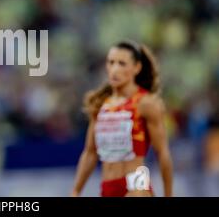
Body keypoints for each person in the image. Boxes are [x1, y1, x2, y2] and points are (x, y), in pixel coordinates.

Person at [71, 41, 173, 197]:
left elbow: (162, 153)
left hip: (136, 182)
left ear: (137, 68)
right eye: (111, 62)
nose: (114, 69)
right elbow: (90, 153)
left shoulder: (146, 103)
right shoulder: (100, 105)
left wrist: (168, 194)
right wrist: (76, 190)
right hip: (107, 186)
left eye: (122, 63)